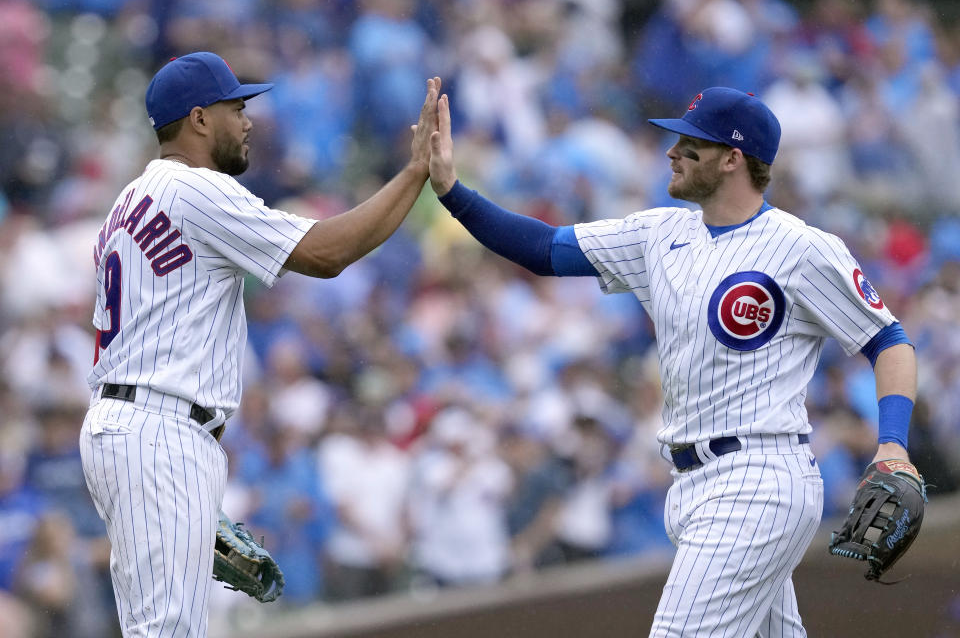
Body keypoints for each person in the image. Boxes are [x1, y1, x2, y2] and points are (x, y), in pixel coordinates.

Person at [427, 87, 917, 636]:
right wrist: (451, 189)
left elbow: (888, 341)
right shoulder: (659, 233)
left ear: (733, 159)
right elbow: (543, 249)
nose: (673, 151)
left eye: (692, 143)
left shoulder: (801, 248)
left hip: (758, 478)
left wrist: (893, 443)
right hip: (691, 484)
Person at [78, 51, 439, 636]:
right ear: (198, 119)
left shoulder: (129, 202)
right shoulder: (196, 189)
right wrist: (413, 173)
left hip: (138, 425)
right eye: (236, 107)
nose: (248, 121)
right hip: (158, 431)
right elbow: (325, 254)